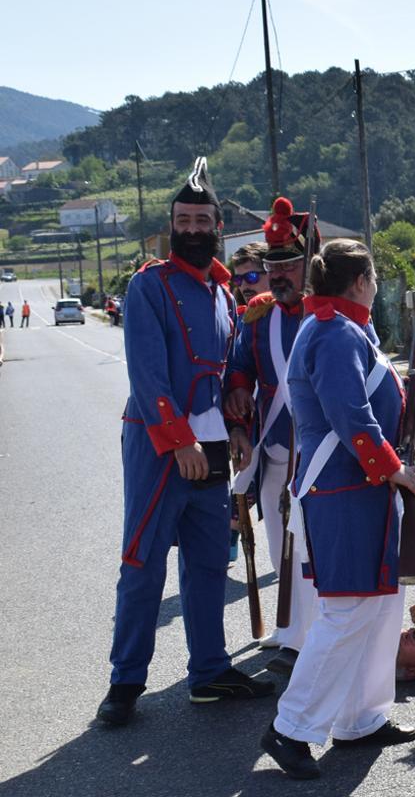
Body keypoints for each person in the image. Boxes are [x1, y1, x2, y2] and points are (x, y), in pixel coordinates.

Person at [97, 158, 275, 727]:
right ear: (172, 224)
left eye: (202, 220)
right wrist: (178, 442)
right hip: (159, 447)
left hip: (215, 448)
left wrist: (240, 424)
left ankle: (209, 672)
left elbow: (229, 373)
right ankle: (125, 682)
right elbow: (146, 374)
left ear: (217, 225)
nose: (193, 229)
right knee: (142, 564)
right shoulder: (147, 285)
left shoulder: (225, 295)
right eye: (184, 220)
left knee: (205, 566)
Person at [259, 240, 415, 781]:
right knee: (347, 612)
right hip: (345, 490)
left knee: (378, 608)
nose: (376, 288)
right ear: (360, 282)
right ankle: (291, 727)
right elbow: (349, 413)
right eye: (374, 279)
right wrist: (392, 466)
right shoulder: (332, 333)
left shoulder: (344, 328)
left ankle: (360, 717)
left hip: (361, 489)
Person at [226, 200, 320, 675]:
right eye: (273, 267)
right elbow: (238, 369)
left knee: (312, 545)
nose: (279, 275)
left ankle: (315, 634)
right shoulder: (258, 317)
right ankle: (291, 633)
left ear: (308, 266)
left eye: (288, 265)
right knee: (278, 537)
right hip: (274, 445)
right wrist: (239, 407)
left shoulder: (326, 312)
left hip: (319, 452)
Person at [224, 242, 271, 566]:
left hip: (288, 426)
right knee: (245, 490)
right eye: (237, 279)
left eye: (251, 275)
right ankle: (230, 536)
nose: (243, 285)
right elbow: (234, 372)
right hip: (254, 423)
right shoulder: (241, 318)